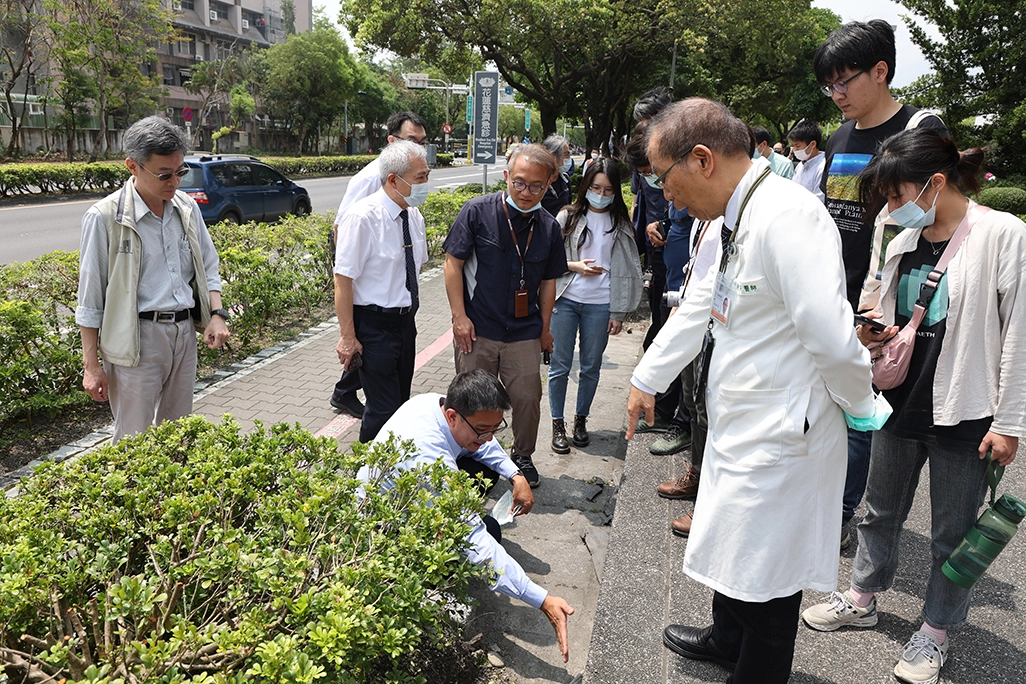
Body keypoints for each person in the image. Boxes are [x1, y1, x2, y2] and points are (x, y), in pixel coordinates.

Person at [625, 97, 874, 683]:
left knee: (766, 568)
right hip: (744, 418)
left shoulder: (789, 216)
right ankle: (726, 636)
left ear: (703, 159)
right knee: (733, 542)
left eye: (665, 179)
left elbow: (833, 339)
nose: (667, 197)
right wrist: (646, 378)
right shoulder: (741, 212)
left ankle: (755, 671)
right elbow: (703, 306)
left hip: (781, 431)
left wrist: (863, 406)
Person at [802, 128, 1026, 684]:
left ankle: (936, 631)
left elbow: (1020, 332)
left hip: (965, 408)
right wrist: (867, 329)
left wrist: (1011, 423)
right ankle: (863, 595)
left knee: (952, 533)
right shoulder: (896, 231)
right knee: (879, 510)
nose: (892, 208)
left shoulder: (1003, 234)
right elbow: (877, 296)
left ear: (936, 182)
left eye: (899, 196)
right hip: (896, 398)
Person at [813, 19, 949, 548]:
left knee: (863, 413)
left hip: (887, 297)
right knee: (833, 403)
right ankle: (831, 502)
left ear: (882, 71)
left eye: (845, 81)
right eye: (830, 85)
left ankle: (844, 514)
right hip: (837, 290)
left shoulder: (920, 127)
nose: (837, 94)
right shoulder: (839, 137)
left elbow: (937, 216)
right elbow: (834, 214)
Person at [359, 370, 576, 662]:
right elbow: (476, 543)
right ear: (452, 416)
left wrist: (516, 475)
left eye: (494, 429)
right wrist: (542, 599)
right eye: (482, 430)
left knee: (485, 467)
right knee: (487, 534)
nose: (488, 438)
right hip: (383, 530)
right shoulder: (428, 457)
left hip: (406, 499)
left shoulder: (430, 403)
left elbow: (485, 441)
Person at [76, 116, 230, 443]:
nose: (175, 182)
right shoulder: (105, 217)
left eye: (180, 172)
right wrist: (92, 365)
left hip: (184, 334)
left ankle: (170, 495)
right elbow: (90, 300)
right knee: (134, 437)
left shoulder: (185, 208)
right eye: (164, 174)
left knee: (178, 433)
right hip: (137, 340)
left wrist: (217, 315)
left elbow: (208, 264)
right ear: (133, 166)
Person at [443, 144, 568, 487]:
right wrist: (459, 318)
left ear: (549, 183)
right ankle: (470, 455)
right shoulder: (477, 212)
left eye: (536, 186)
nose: (526, 192)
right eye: (519, 183)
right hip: (478, 328)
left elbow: (547, 283)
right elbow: (452, 264)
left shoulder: (548, 228)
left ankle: (522, 455)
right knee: (472, 401)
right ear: (506, 177)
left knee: (528, 398)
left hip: (524, 332)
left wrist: (545, 330)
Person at [329, 111, 428, 418]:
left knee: (398, 404)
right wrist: (348, 333)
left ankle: (346, 394)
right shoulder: (367, 189)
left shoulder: (412, 214)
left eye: (423, 142)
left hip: (404, 319)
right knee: (384, 412)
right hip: (373, 318)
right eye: (413, 141)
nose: (420, 149)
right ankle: (372, 463)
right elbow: (343, 228)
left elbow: (416, 263)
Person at [548, 158, 642, 453]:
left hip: (600, 305)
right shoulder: (567, 217)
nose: (600, 194)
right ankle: (557, 424)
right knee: (559, 367)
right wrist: (574, 266)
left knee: (591, 367)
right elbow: (546, 261)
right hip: (565, 301)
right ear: (586, 186)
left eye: (608, 189)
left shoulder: (620, 223)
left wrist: (618, 312)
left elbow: (628, 269)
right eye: (595, 187)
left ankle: (580, 421)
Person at [787, 120, 825, 202]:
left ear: (812, 144)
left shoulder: (822, 168)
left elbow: (819, 201)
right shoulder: (800, 165)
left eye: (797, 146)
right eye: (793, 146)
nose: (794, 150)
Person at [541, 134, 574, 217]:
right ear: (552, 156)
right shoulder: (538, 182)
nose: (568, 159)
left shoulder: (565, 180)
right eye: (566, 155)